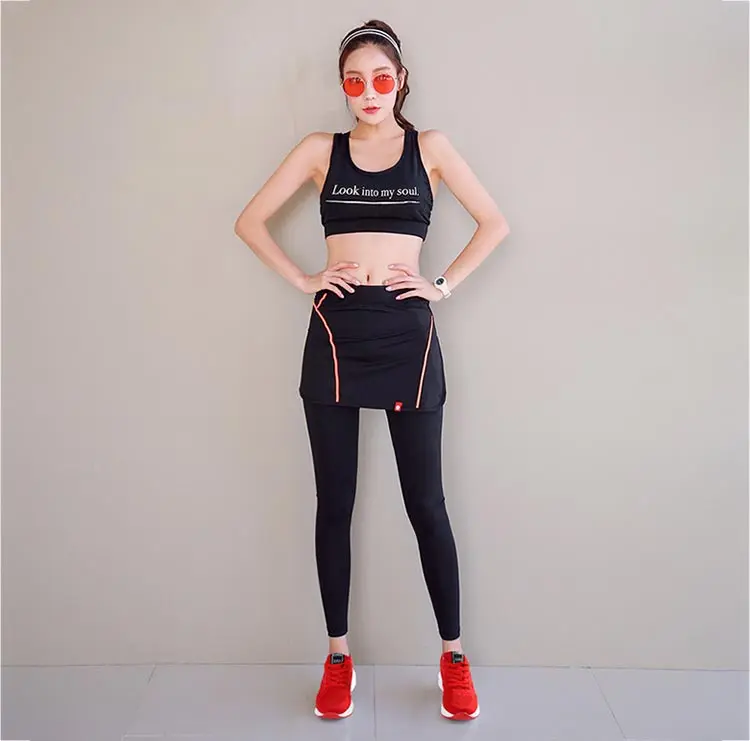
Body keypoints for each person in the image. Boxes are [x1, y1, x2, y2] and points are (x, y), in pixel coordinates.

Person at [234, 19, 510, 722]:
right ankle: (337, 656)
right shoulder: (319, 151)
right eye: (353, 80)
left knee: (427, 505)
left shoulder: (430, 149)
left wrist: (441, 286)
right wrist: (304, 279)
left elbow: (495, 223)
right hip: (335, 335)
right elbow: (249, 221)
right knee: (335, 503)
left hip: (407, 339)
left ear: (401, 82)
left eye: (380, 79)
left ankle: (453, 656)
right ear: (343, 87)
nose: (368, 92)